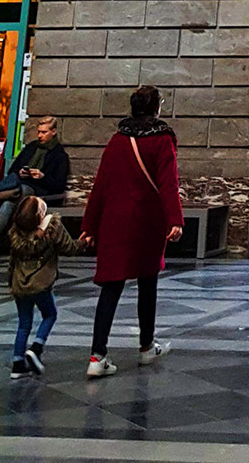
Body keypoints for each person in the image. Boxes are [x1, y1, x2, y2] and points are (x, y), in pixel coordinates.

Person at [78, 83, 184, 379]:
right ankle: (146, 346)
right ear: (156, 108)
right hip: (147, 222)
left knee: (111, 287)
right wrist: (175, 219)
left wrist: (89, 225)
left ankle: (97, 355)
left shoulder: (117, 140)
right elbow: (168, 183)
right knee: (148, 283)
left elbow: (100, 185)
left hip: (114, 221)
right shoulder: (162, 140)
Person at [0, 115, 70, 257]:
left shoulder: (59, 155)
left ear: (53, 132)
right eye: (39, 132)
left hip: (37, 190)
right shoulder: (31, 147)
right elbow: (13, 170)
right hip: (19, 183)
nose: (40, 135)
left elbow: (58, 184)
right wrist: (21, 171)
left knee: (8, 200)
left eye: (44, 132)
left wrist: (42, 177)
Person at [5, 191, 75, 378]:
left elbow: (12, 261)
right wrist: (84, 242)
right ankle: (37, 347)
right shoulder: (50, 231)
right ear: (40, 216)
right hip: (41, 283)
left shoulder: (16, 235)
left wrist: (10, 282)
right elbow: (69, 248)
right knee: (50, 314)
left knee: (24, 323)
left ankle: (18, 363)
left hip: (20, 283)